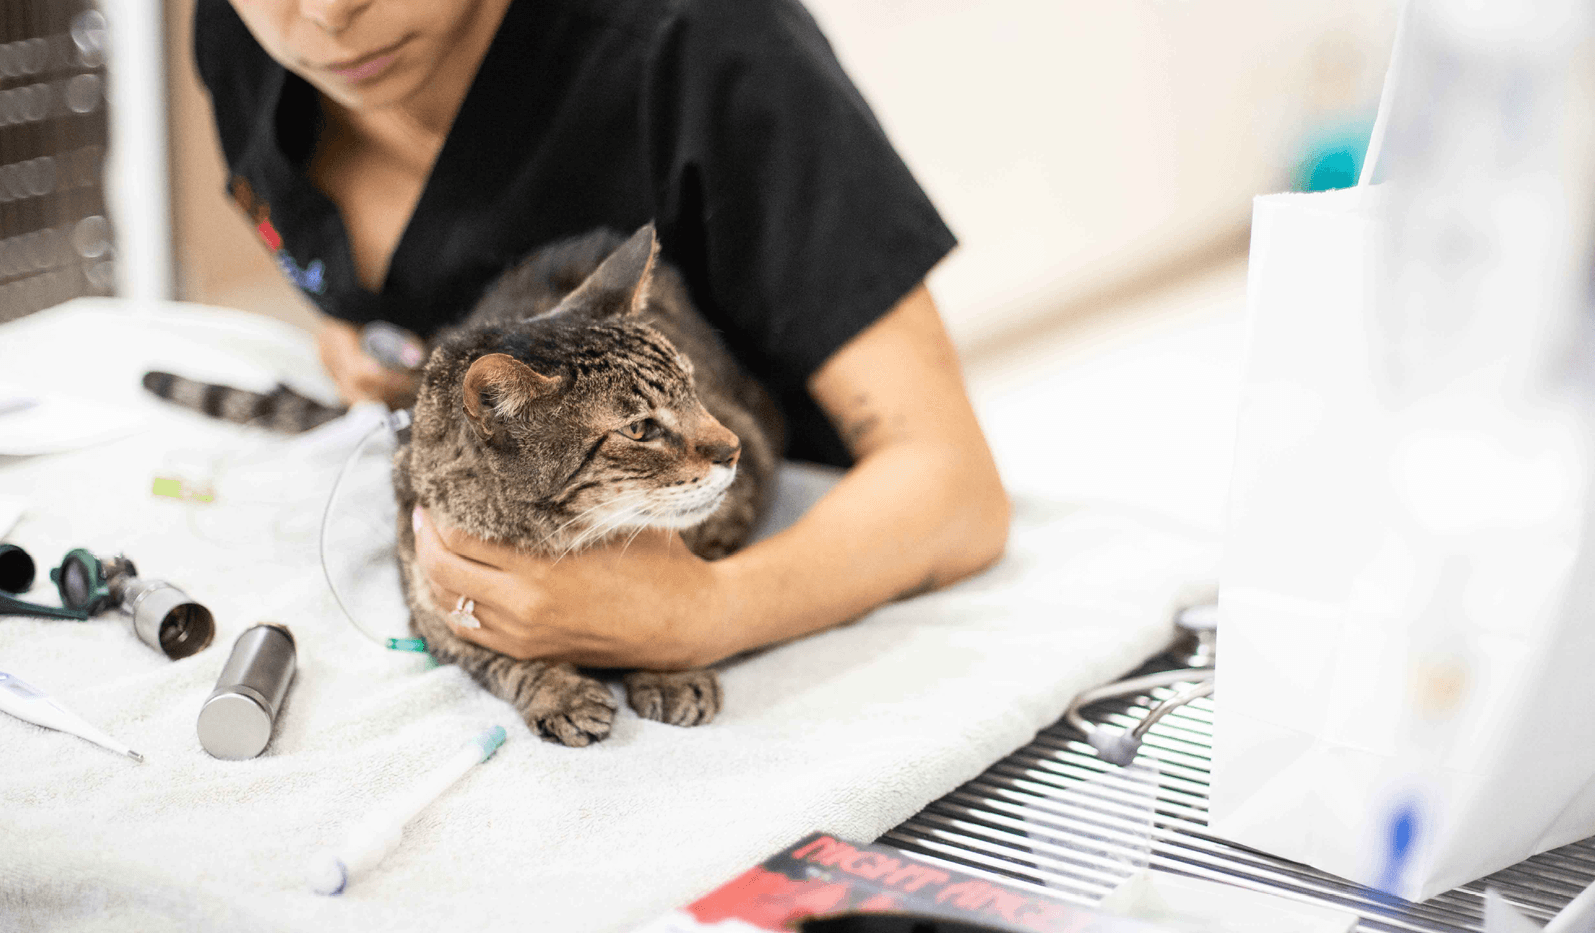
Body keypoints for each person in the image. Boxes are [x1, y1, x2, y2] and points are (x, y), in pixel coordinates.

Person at [196, 0, 1010, 670]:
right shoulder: (244, 46)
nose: (332, 16)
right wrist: (353, 329)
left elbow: (956, 489)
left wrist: (708, 611)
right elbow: (357, 261)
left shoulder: (709, 44)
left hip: (785, 551)